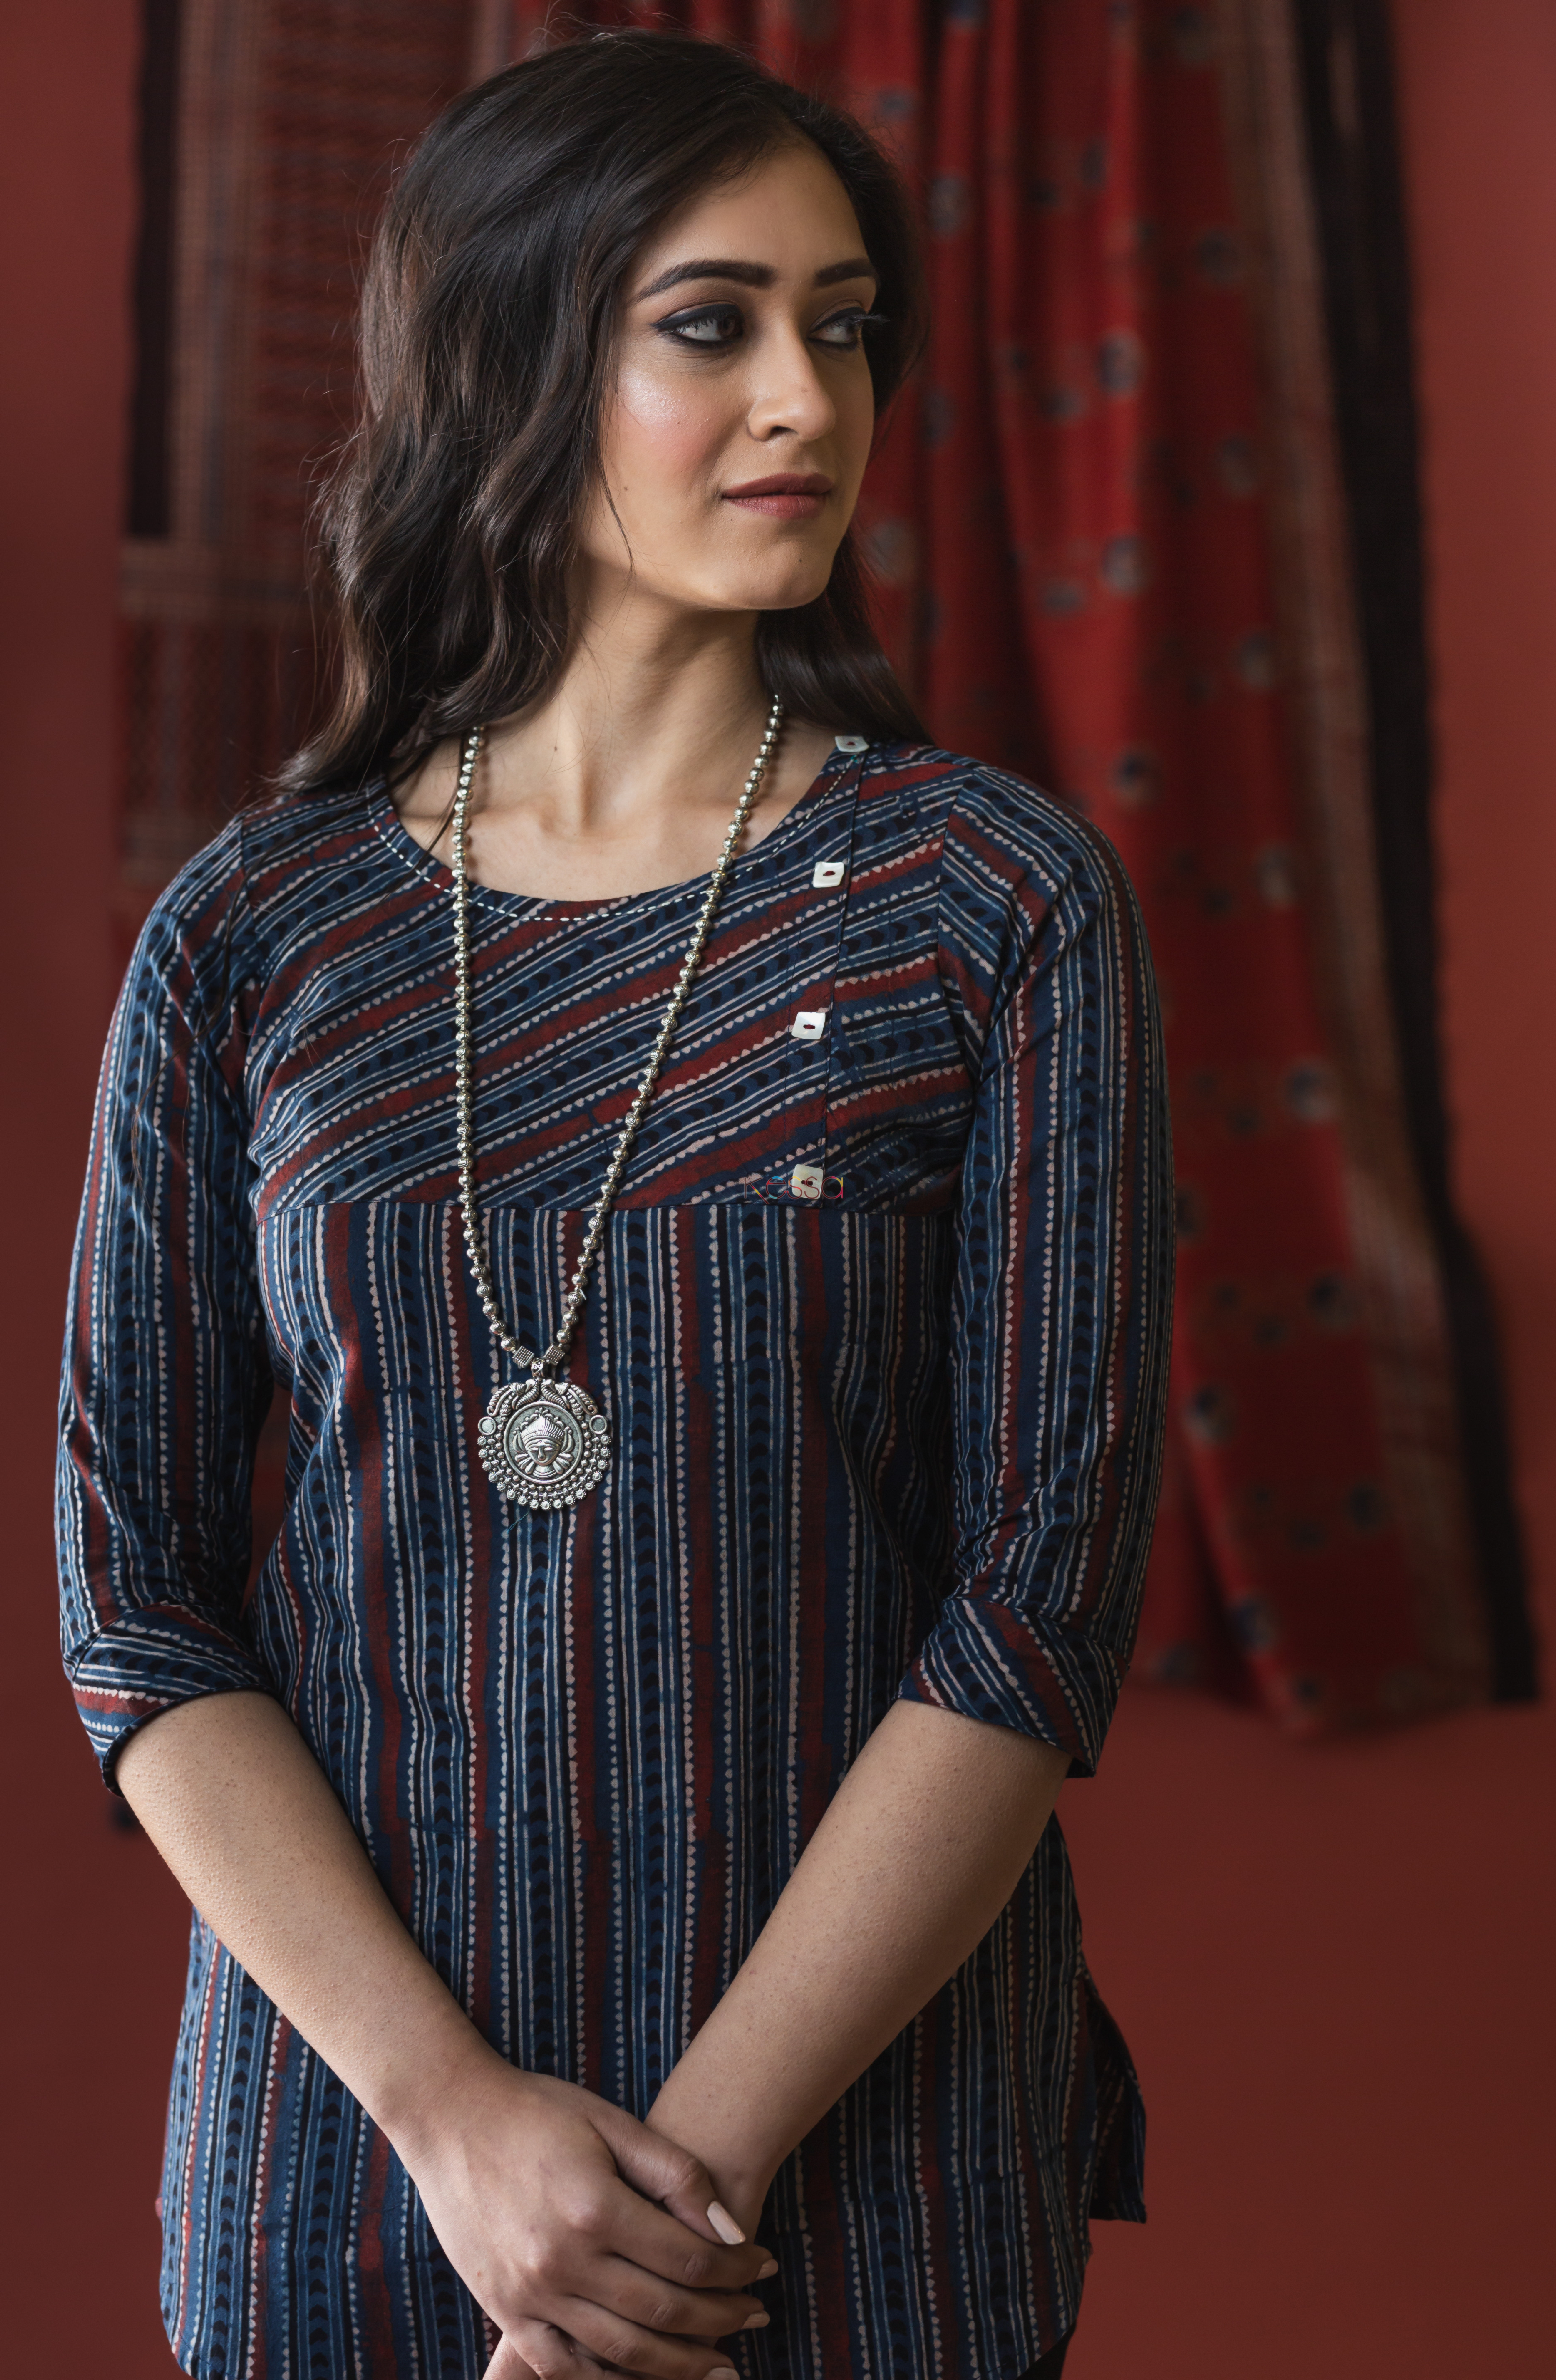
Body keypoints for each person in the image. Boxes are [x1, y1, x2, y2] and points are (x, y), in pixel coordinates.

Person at [56, 30, 1173, 2380]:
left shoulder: (992, 902)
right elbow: (134, 1598)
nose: (803, 398)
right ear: (507, 357)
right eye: (710, 322)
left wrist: (673, 2203)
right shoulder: (254, 933)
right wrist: (458, 2127)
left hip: (849, 2173)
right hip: (353, 2159)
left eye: (839, 326)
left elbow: (1034, 1604)